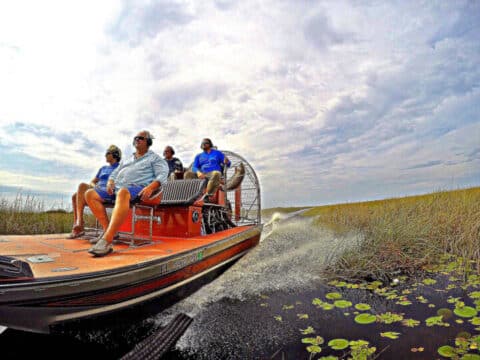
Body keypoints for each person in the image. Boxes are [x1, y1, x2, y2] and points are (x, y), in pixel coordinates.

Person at [85, 130, 169, 257]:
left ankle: (106, 241)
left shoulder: (155, 159)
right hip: (117, 188)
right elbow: (115, 172)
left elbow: (163, 175)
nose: (137, 140)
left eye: (140, 138)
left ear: (148, 142)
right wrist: (110, 181)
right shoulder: (128, 158)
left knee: (123, 192)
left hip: (138, 188)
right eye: (135, 138)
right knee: (89, 194)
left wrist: (151, 186)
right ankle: (109, 231)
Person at [68, 145, 121, 239]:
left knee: (82, 189)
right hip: (97, 189)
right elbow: (93, 181)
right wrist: (94, 186)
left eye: (107, 153)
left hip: (108, 191)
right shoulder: (103, 168)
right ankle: (79, 223)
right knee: (76, 194)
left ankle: (80, 225)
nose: (105, 155)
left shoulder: (120, 168)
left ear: (114, 155)